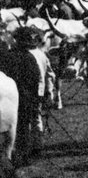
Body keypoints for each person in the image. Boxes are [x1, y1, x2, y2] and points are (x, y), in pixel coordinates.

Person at [0, 27, 50, 167]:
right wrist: (38, 96)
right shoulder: (30, 57)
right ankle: (23, 155)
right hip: (26, 97)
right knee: (23, 127)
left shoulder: (6, 56)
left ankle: (12, 155)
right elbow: (36, 78)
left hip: (9, 98)